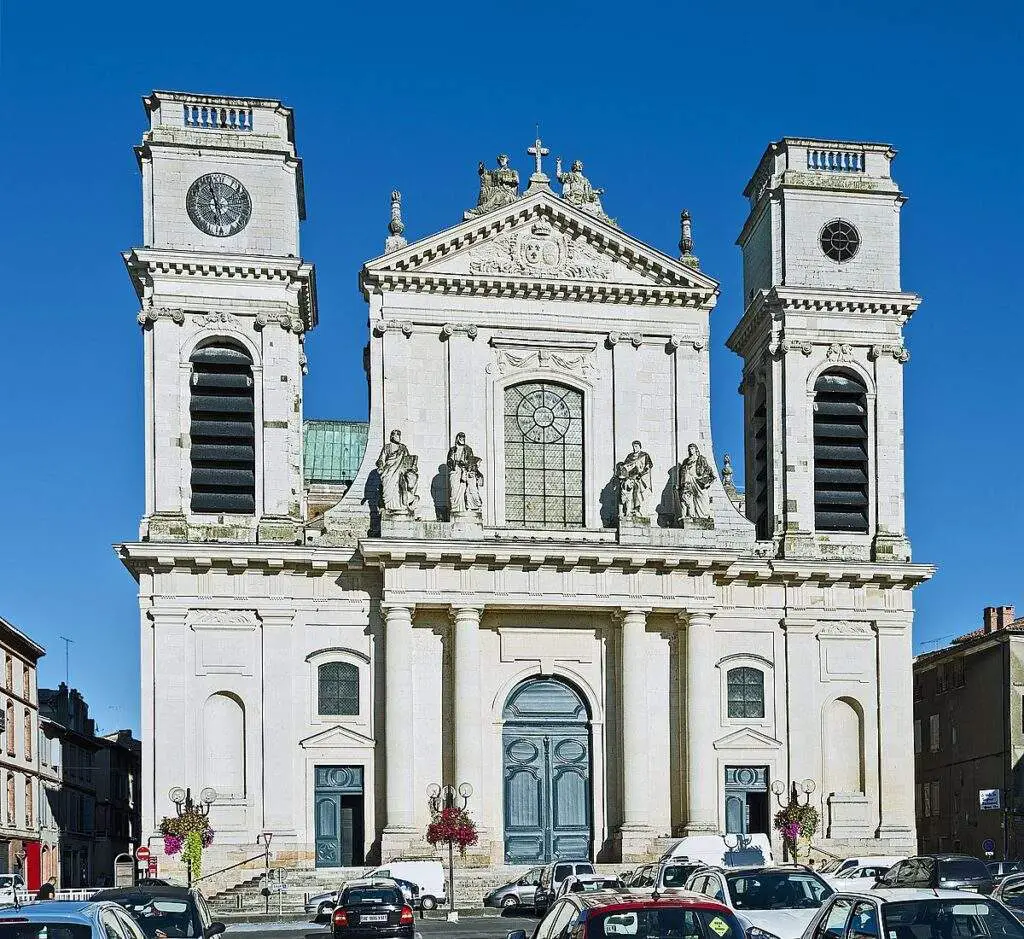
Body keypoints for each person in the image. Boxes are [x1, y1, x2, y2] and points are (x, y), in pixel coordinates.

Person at [679, 442, 715, 520]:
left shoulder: (701, 459)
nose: (690, 450)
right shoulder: (686, 461)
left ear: (696, 450)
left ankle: (703, 515)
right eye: (689, 449)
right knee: (688, 497)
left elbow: (708, 470)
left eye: (692, 448)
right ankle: (691, 515)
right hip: (688, 480)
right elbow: (682, 472)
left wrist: (707, 482)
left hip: (699, 481)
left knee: (702, 496)